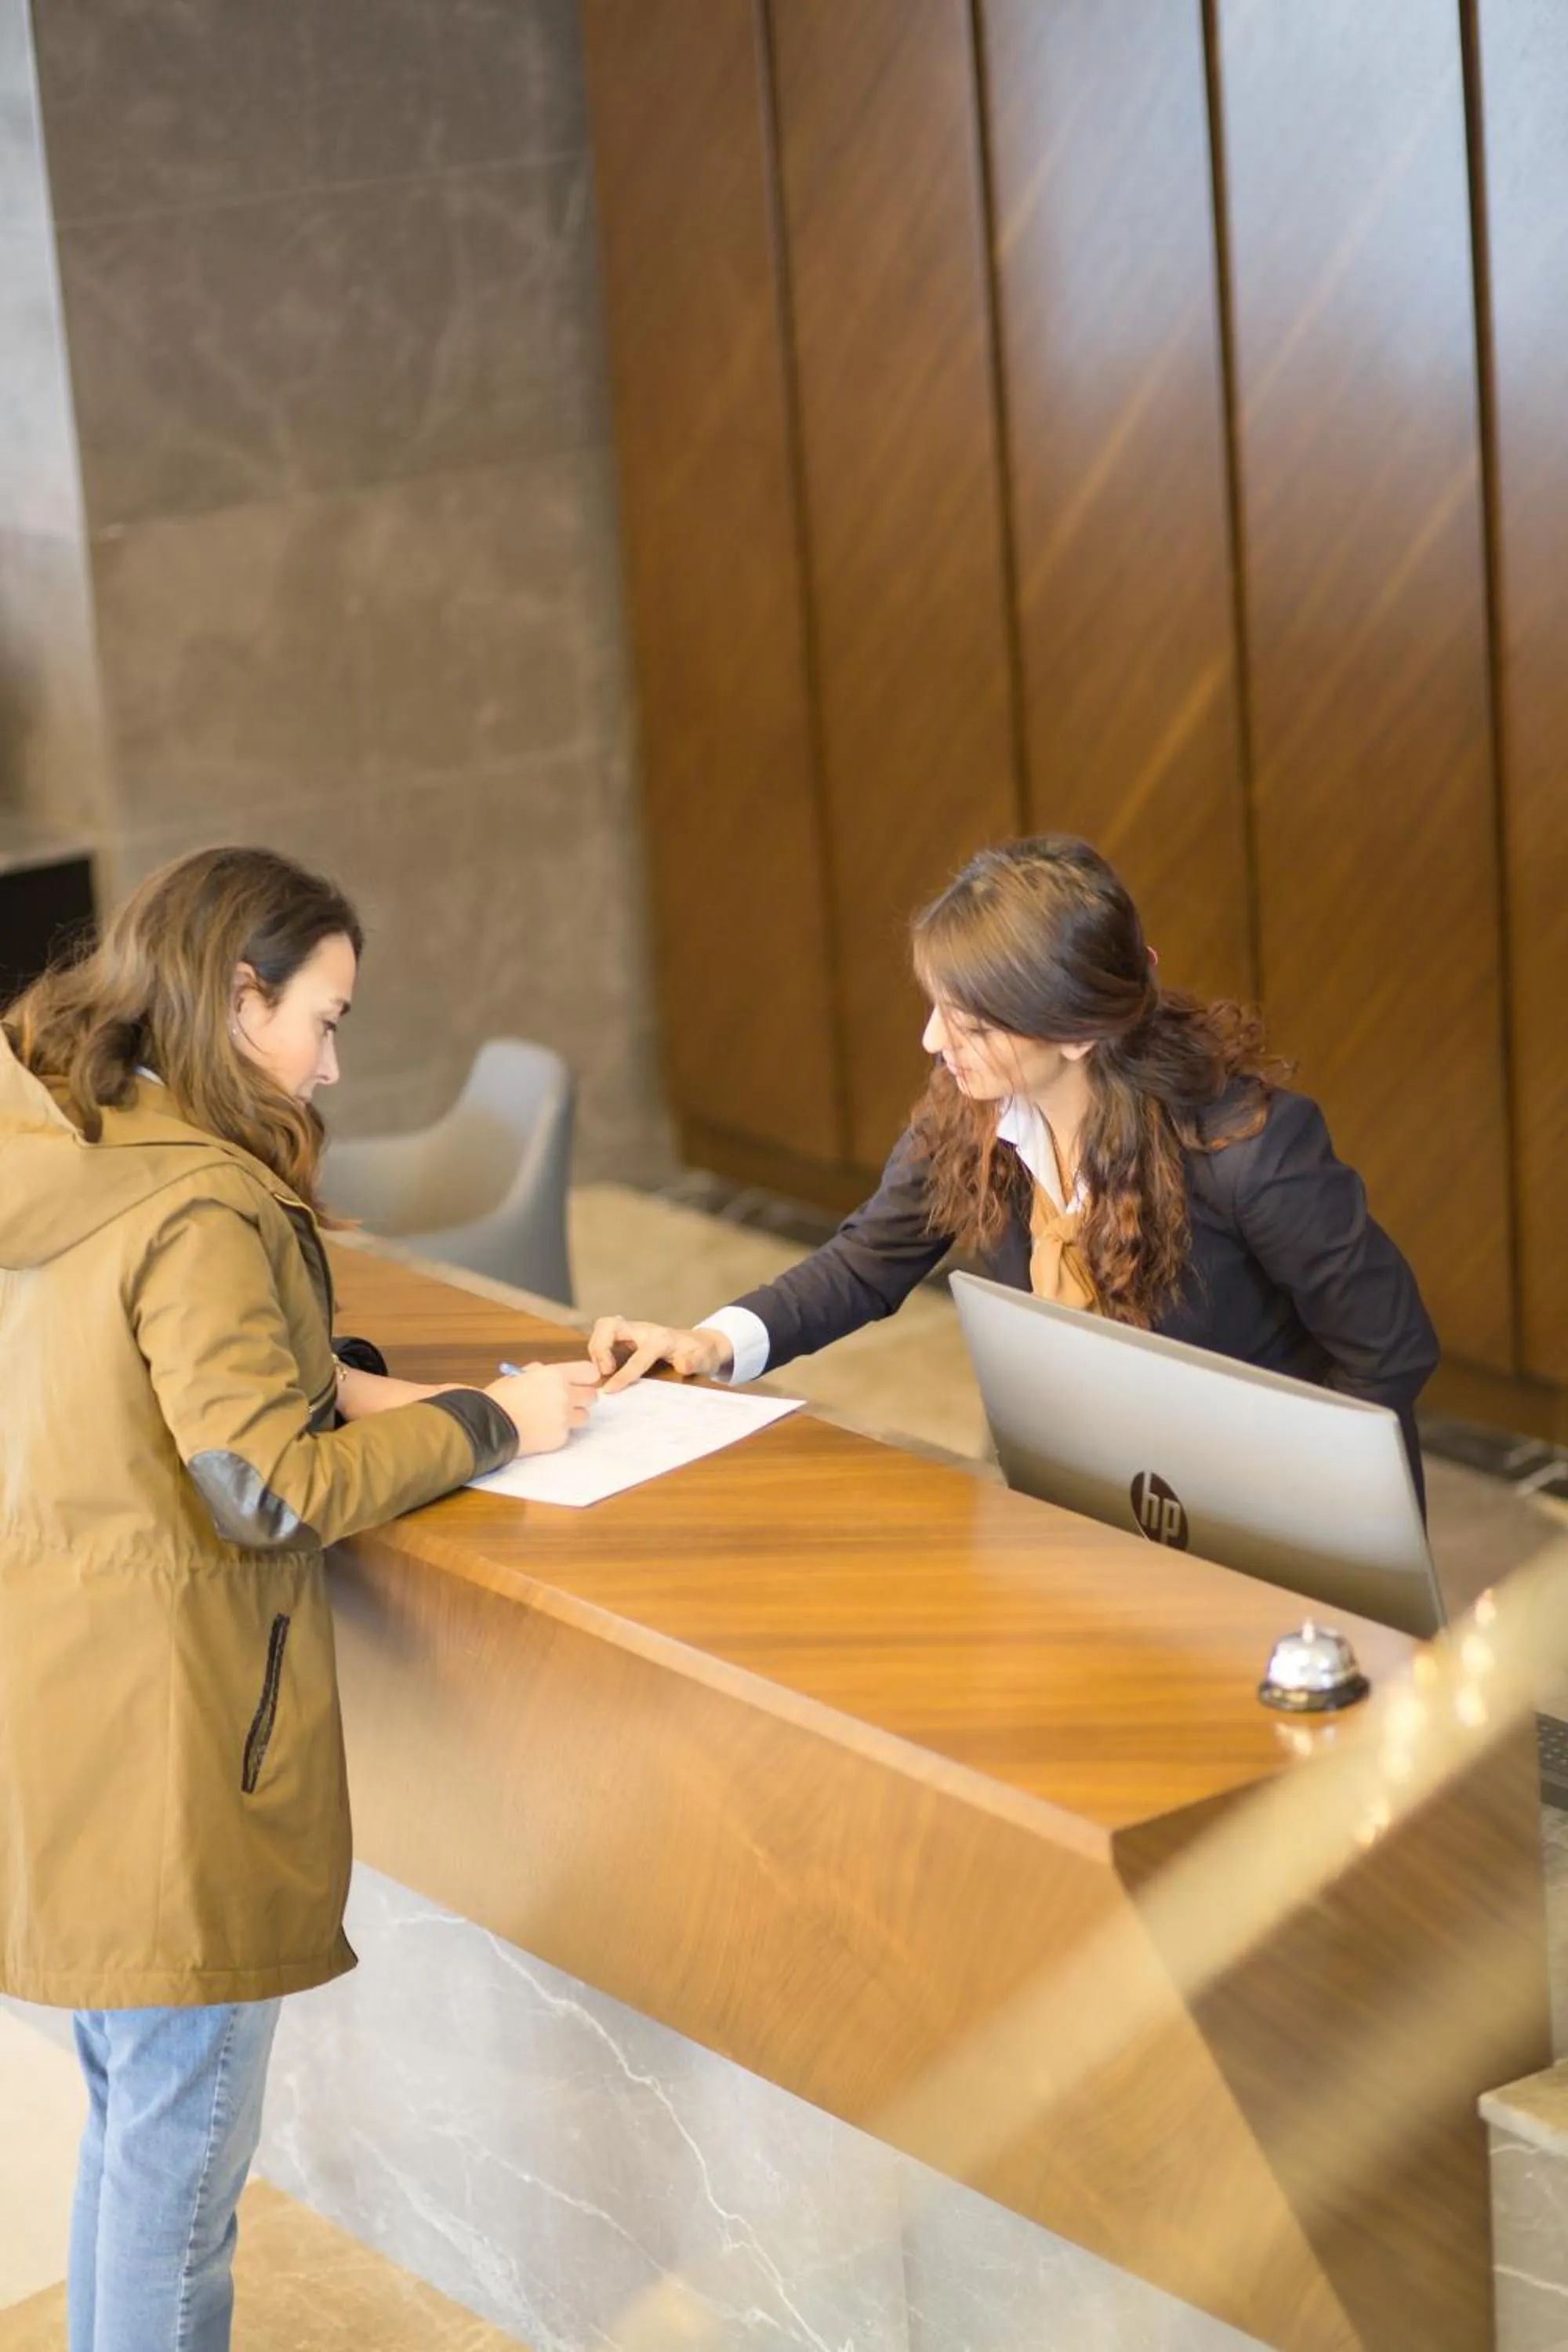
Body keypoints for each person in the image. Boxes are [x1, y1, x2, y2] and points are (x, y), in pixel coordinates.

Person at [0, 844, 599, 2352]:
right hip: (173, 1752)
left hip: (65, 1709)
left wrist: (351, 1380)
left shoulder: (66, 1134)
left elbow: (146, 1369)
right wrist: (494, 1424)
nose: (332, 1066)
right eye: (324, 1020)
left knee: (132, 2128)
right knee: (179, 2177)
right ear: (237, 996)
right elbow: (263, 1485)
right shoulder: (200, 1205)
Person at [589, 835, 1439, 1494]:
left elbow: (1388, 1351)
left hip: (1249, 1507)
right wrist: (710, 1343)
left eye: (973, 1027)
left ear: (1076, 1033)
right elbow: (865, 1263)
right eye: (938, 1010)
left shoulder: (1247, 1151)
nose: (934, 1041)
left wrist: (1300, 1505)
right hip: (1072, 1485)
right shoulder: (972, 1113)